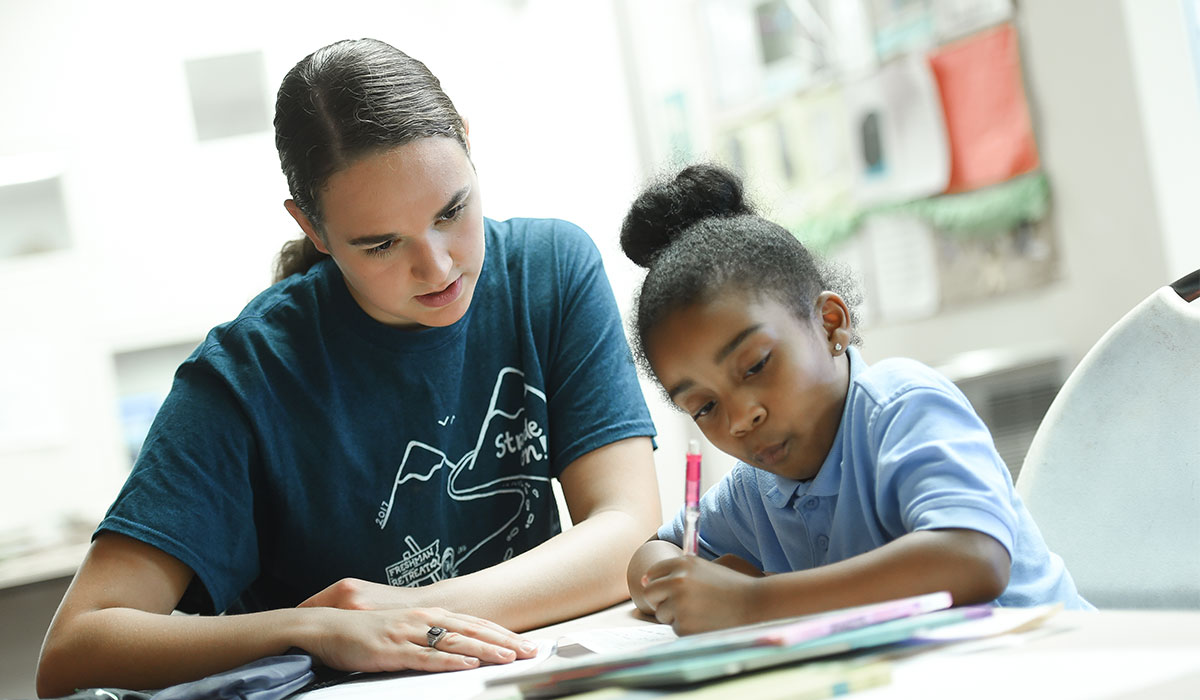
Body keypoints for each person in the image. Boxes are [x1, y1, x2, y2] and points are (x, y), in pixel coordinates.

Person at [36, 38, 660, 696]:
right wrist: (316, 629)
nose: (439, 267)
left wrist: (405, 615)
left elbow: (626, 527)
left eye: (452, 211)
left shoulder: (549, 271)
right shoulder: (246, 376)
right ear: (312, 227)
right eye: (381, 244)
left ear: (469, 147)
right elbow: (77, 648)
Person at [621, 164, 1092, 636]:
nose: (741, 418)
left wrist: (755, 601)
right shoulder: (756, 488)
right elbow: (651, 553)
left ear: (830, 324)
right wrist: (679, 581)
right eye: (704, 407)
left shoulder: (901, 407)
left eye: (757, 365)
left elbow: (973, 559)